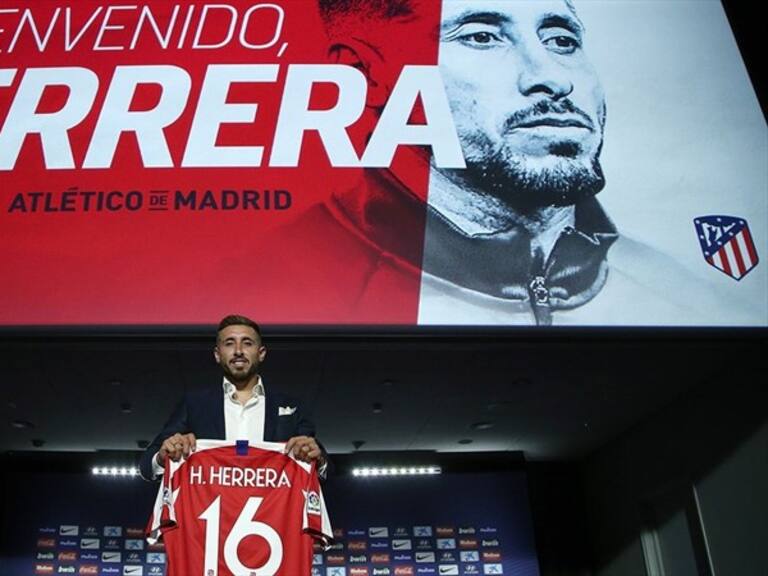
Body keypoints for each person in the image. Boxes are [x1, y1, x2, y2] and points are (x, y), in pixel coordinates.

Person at [253, 0, 755, 326]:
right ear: (360, 74)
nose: (552, 78)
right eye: (481, 37)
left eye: (562, 39)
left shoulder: (703, 304)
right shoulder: (269, 288)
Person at [139, 314, 327, 481]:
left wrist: (318, 459)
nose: (238, 350)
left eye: (247, 343)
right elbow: (147, 465)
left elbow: (326, 468)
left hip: (274, 516)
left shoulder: (292, 405)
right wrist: (163, 456)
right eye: (229, 343)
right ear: (217, 355)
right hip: (209, 516)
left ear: (261, 353)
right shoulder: (194, 404)